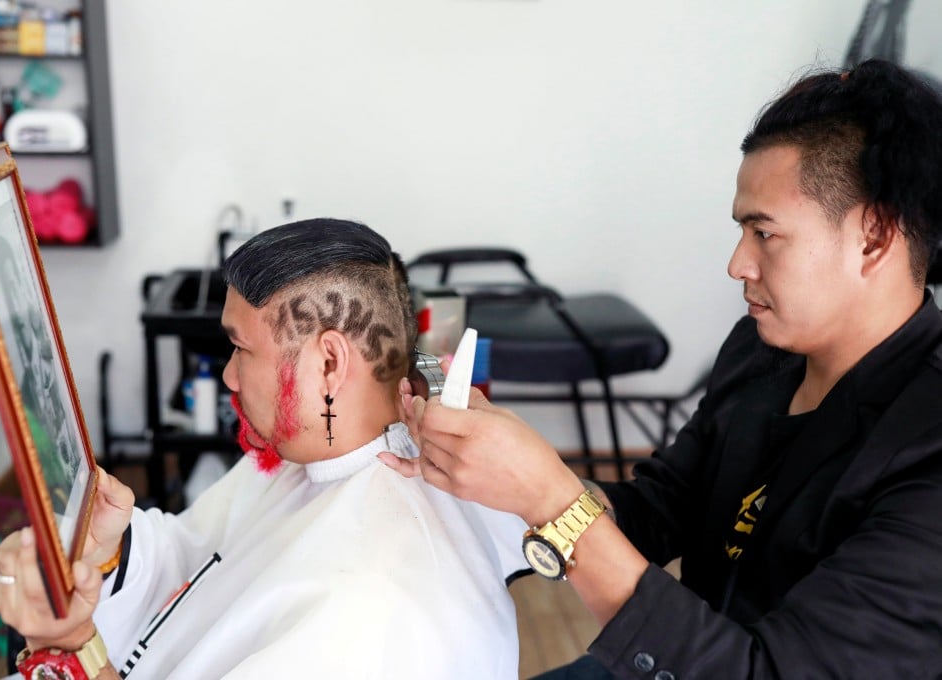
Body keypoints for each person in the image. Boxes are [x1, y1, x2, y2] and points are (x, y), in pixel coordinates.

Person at [381, 58, 942, 678]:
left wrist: (552, 497)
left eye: (765, 233)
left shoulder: (925, 444)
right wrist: (501, 483)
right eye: (742, 231)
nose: (737, 264)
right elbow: (660, 508)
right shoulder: (763, 354)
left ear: (875, 238)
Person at [0, 218, 528, 679]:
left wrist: (64, 648)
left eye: (239, 348)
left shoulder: (368, 608)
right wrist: (111, 550)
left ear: (330, 365)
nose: (228, 375)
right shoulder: (316, 456)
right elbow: (197, 555)